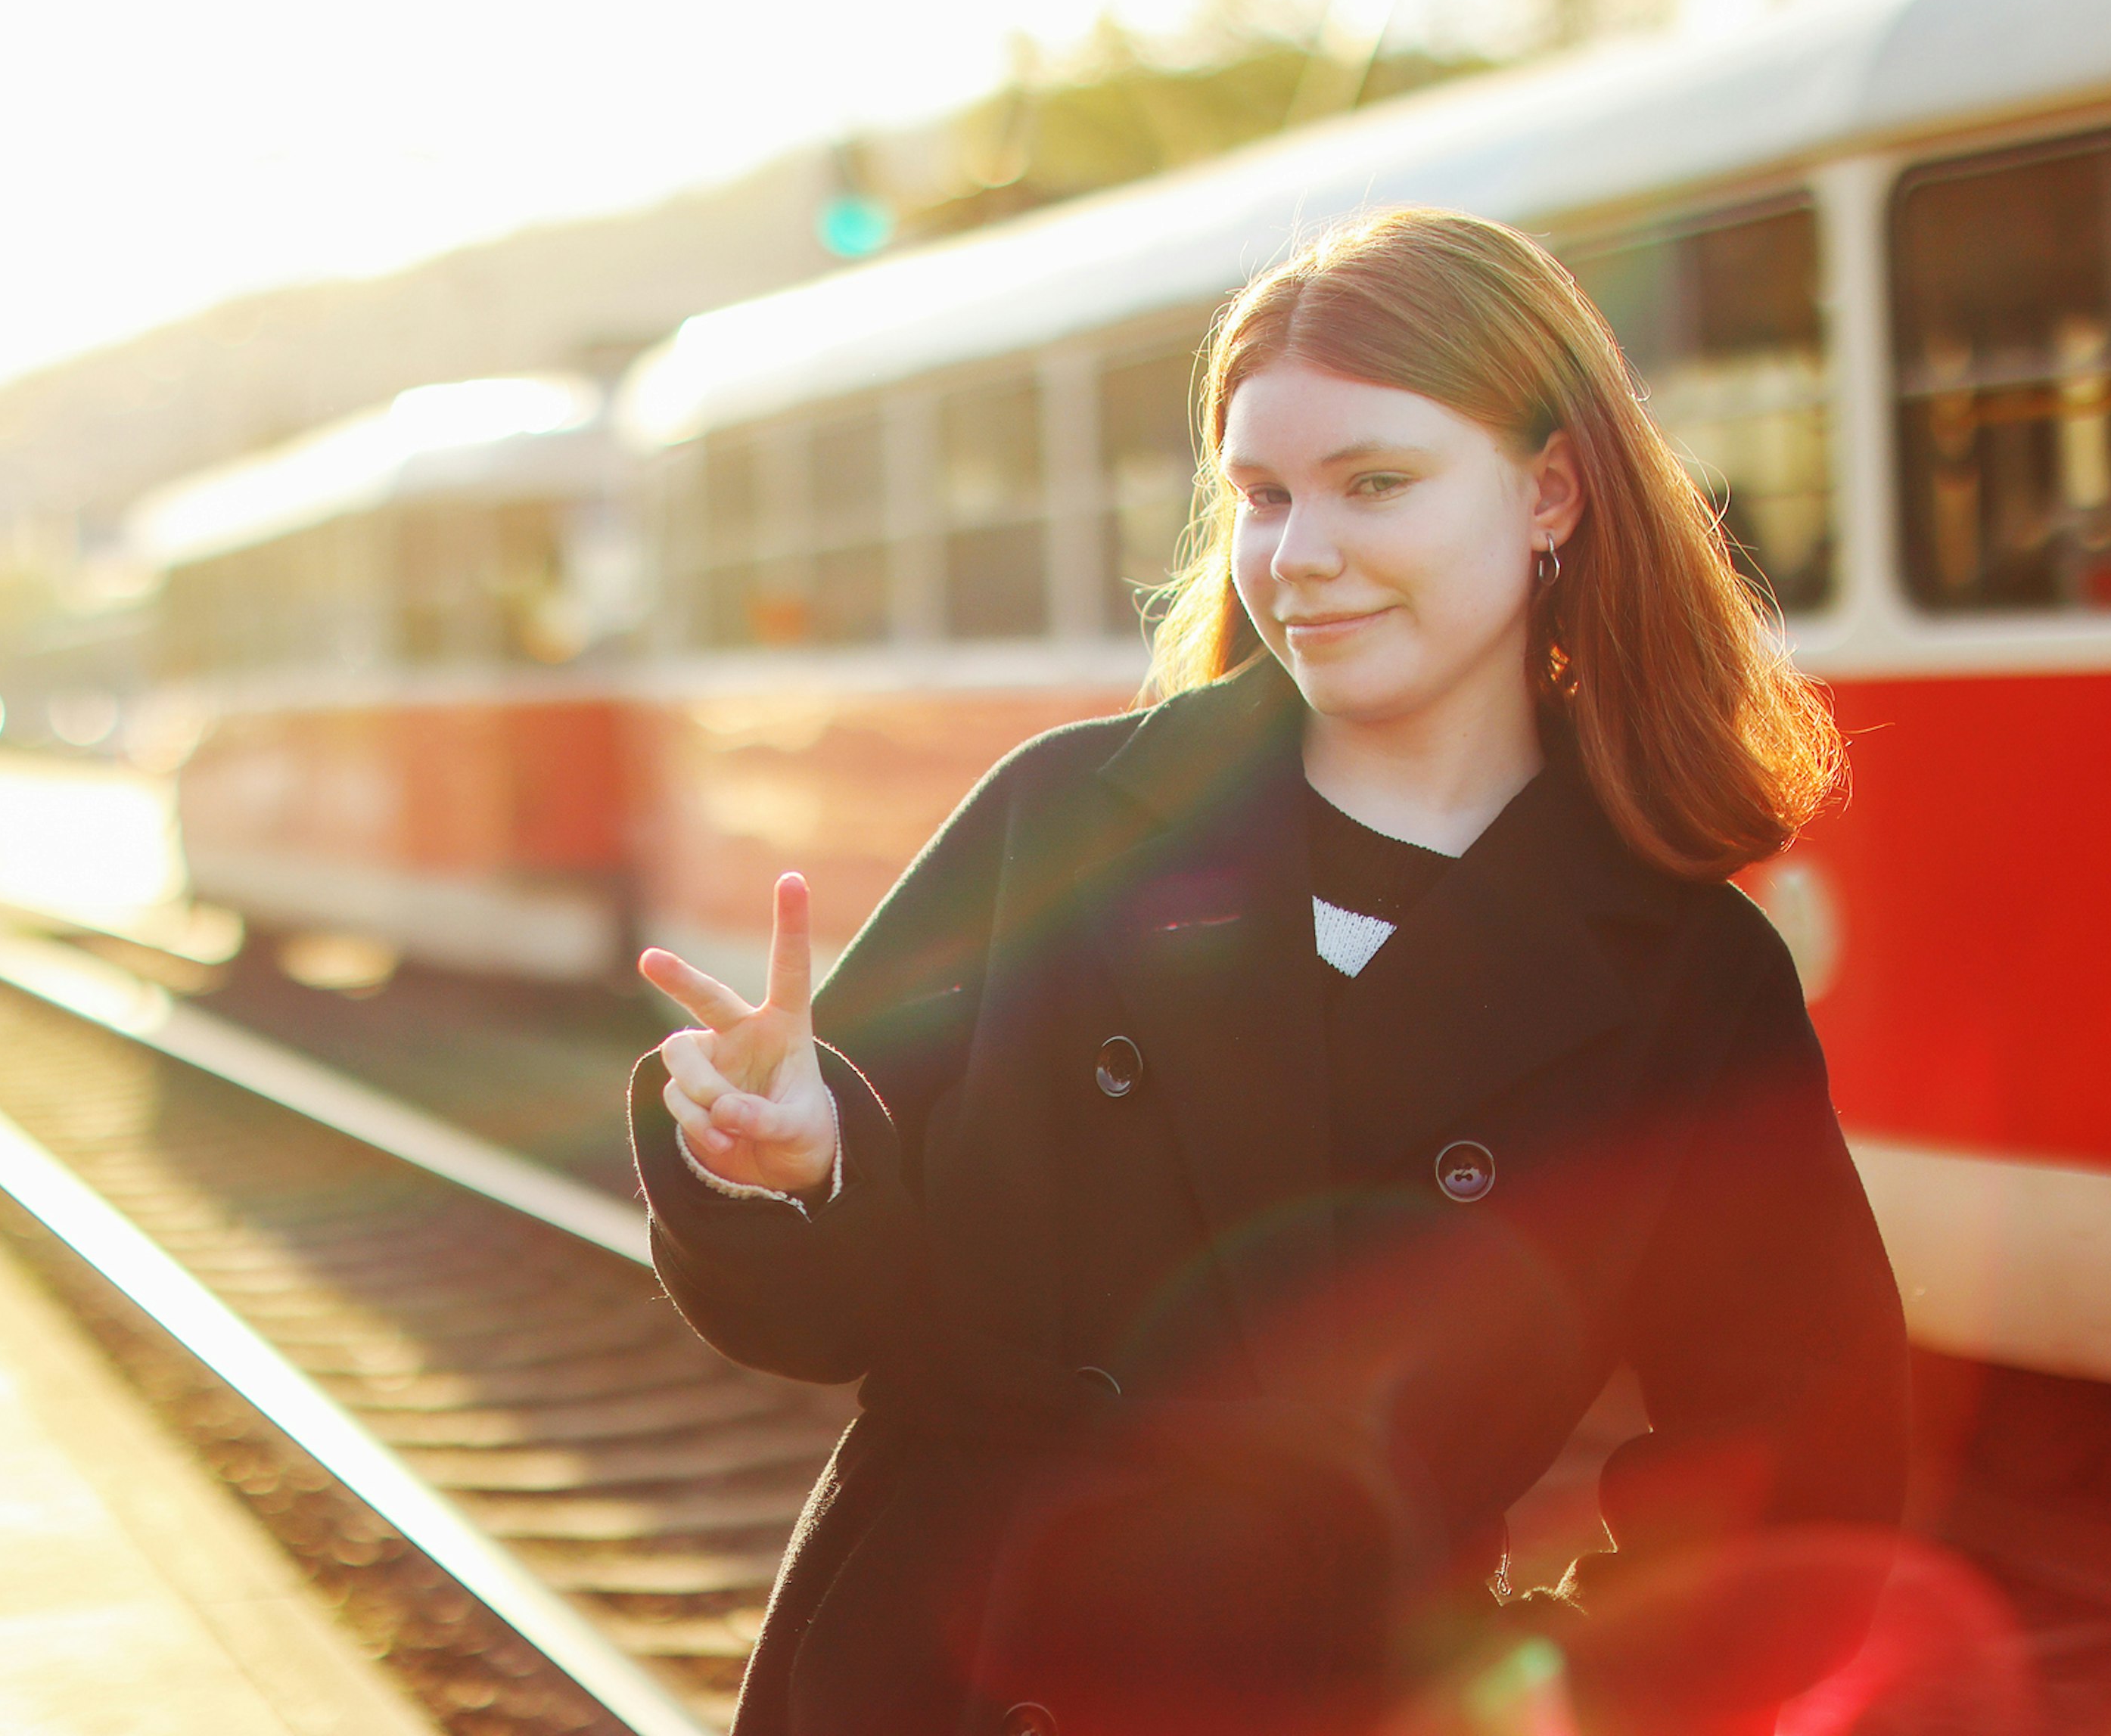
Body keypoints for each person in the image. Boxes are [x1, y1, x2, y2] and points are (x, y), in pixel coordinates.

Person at [630, 207, 1911, 1736]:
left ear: (1551, 489)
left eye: (1376, 482)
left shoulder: (1682, 976)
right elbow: (829, 1317)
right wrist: (799, 1163)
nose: (1300, 555)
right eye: (1262, 492)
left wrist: (1577, 1688)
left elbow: (1804, 1458)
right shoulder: (1075, 816)